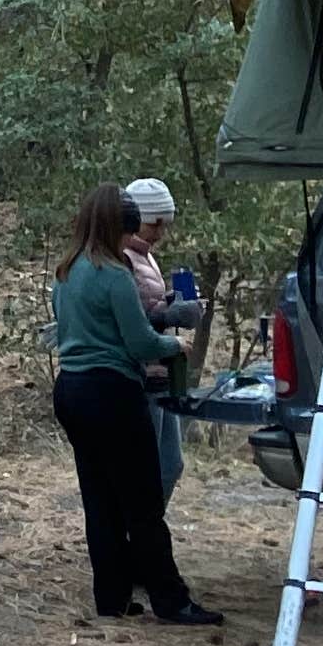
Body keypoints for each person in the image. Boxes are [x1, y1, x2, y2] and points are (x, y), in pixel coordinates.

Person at [48, 187, 220, 626]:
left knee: (99, 499)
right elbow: (139, 340)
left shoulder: (67, 271)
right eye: (127, 232)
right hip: (113, 392)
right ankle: (171, 599)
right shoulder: (113, 275)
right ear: (116, 227)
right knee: (142, 502)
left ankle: (112, 597)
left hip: (72, 389)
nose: (130, 242)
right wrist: (174, 344)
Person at [118, 177, 209, 494]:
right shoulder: (123, 258)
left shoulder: (146, 255)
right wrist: (166, 315)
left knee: (170, 464)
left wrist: (176, 302)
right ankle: (138, 535)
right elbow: (125, 317)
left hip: (161, 371)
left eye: (164, 224)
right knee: (147, 467)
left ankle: (148, 531)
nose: (160, 232)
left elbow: (145, 301)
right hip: (141, 372)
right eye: (155, 223)